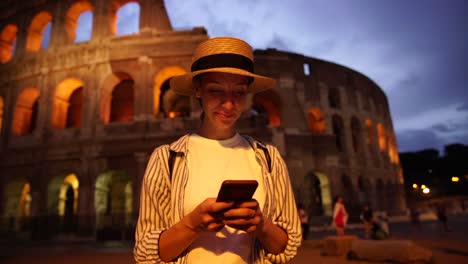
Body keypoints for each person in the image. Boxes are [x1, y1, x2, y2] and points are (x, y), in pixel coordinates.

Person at [133, 37, 302, 264]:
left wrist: (261, 225)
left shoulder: (269, 158)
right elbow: (145, 253)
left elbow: (287, 246)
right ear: (197, 90)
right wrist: (191, 225)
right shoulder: (166, 159)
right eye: (216, 91)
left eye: (239, 92)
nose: (229, 104)